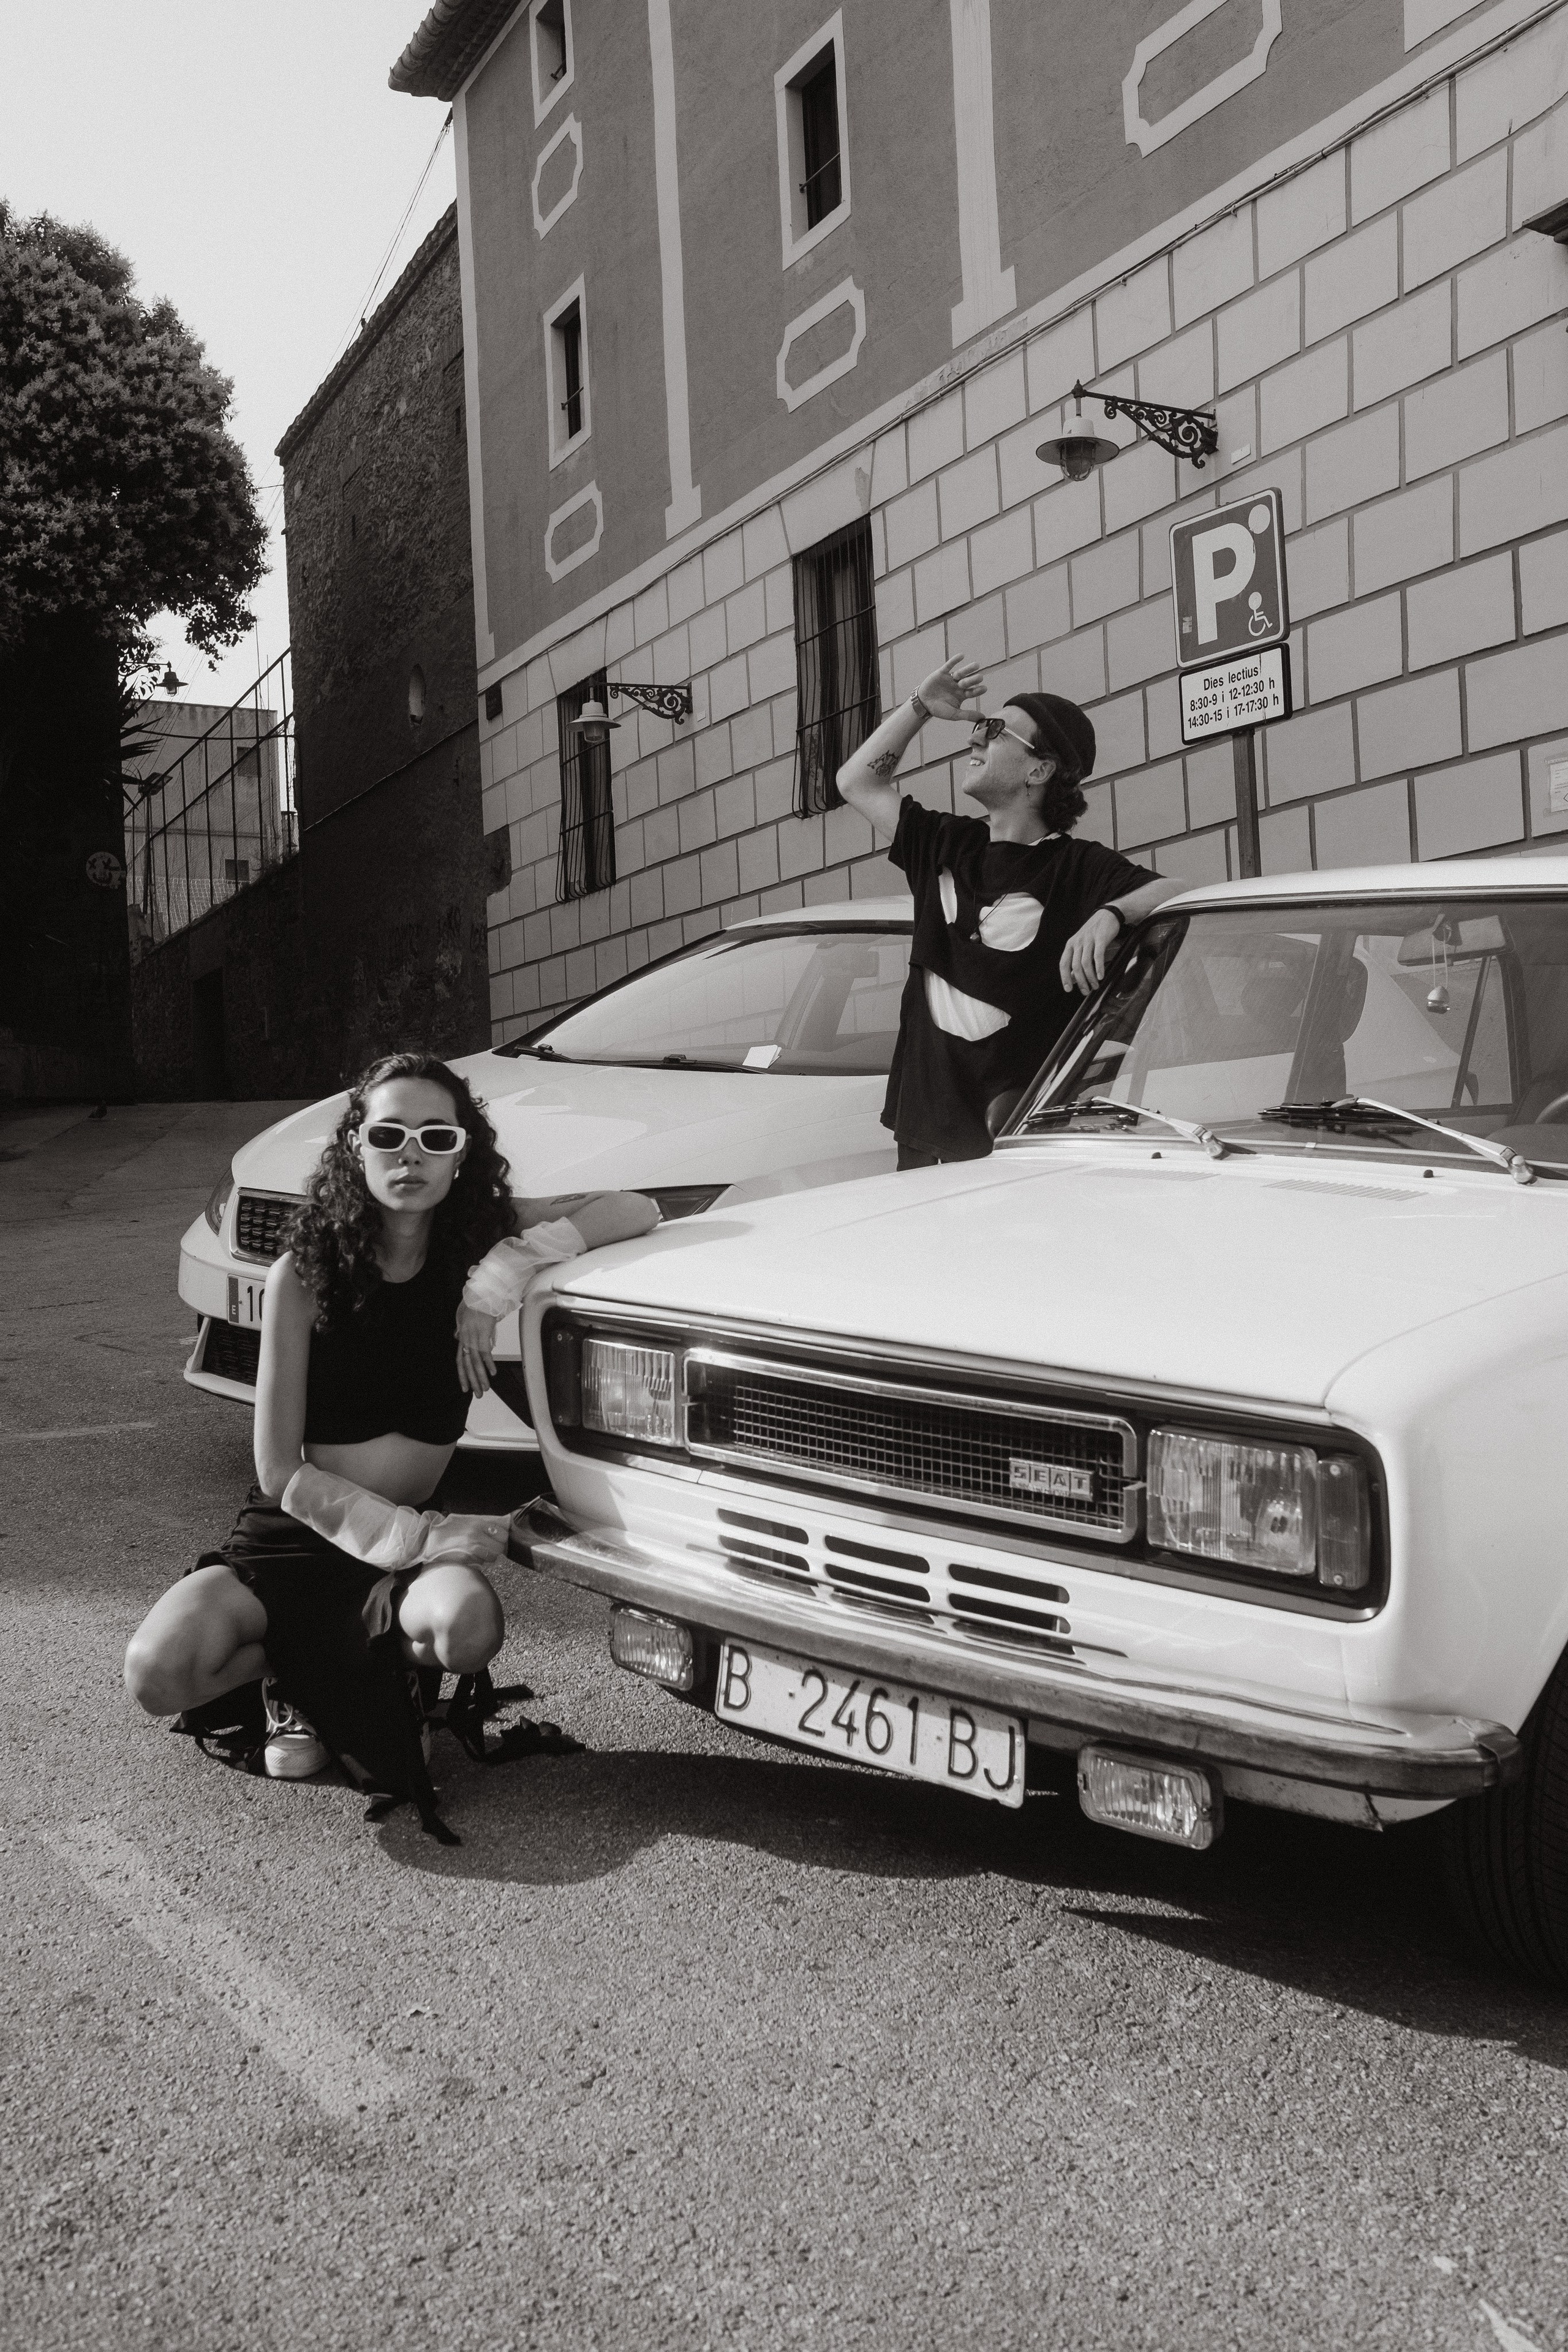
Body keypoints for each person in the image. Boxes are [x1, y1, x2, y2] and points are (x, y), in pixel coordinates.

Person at [123, 1050, 658, 1839]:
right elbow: (278, 1471)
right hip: (298, 1538)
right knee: (157, 1673)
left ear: (461, 1155)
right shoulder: (302, 1276)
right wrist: (422, 1536)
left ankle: (353, 1682)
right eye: (389, 1134)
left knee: (471, 1631)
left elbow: (635, 1206)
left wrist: (496, 1279)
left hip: (402, 1559)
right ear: (355, 1148)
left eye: (436, 1138)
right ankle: (294, 1679)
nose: (411, 1155)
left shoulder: (475, 1241)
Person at [836, 657, 1183, 1167]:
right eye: (979, 727)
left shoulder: (1078, 867)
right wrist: (919, 708)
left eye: (994, 731)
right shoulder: (944, 843)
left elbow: (1179, 892)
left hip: (1015, 1147)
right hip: (922, 1135)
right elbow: (856, 782)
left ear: (1039, 769)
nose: (974, 739)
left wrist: (1112, 912)